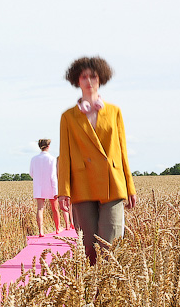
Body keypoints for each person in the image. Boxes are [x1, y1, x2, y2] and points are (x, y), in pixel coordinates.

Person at [58, 56, 136, 264]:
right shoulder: (68, 117)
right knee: (89, 247)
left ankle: (109, 283)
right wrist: (64, 191)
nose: (89, 81)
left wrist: (130, 186)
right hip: (82, 184)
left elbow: (122, 150)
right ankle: (93, 284)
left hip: (113, 182)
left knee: (110, 245)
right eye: (84, 77)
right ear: (77, 80)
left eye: (93, 76)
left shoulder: (114, 112)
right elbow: (64, 155)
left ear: (101, 79)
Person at [29, 139, 61, 237]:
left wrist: (38, 179)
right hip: (50, 185)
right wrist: (55, 189)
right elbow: (53, 175)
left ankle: (41, 231)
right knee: (55, 208)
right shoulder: (52, 159)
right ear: (48, 146)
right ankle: (57, 228)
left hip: (38, 185)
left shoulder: (34, 159)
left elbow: (31, 173)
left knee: (40, 208)